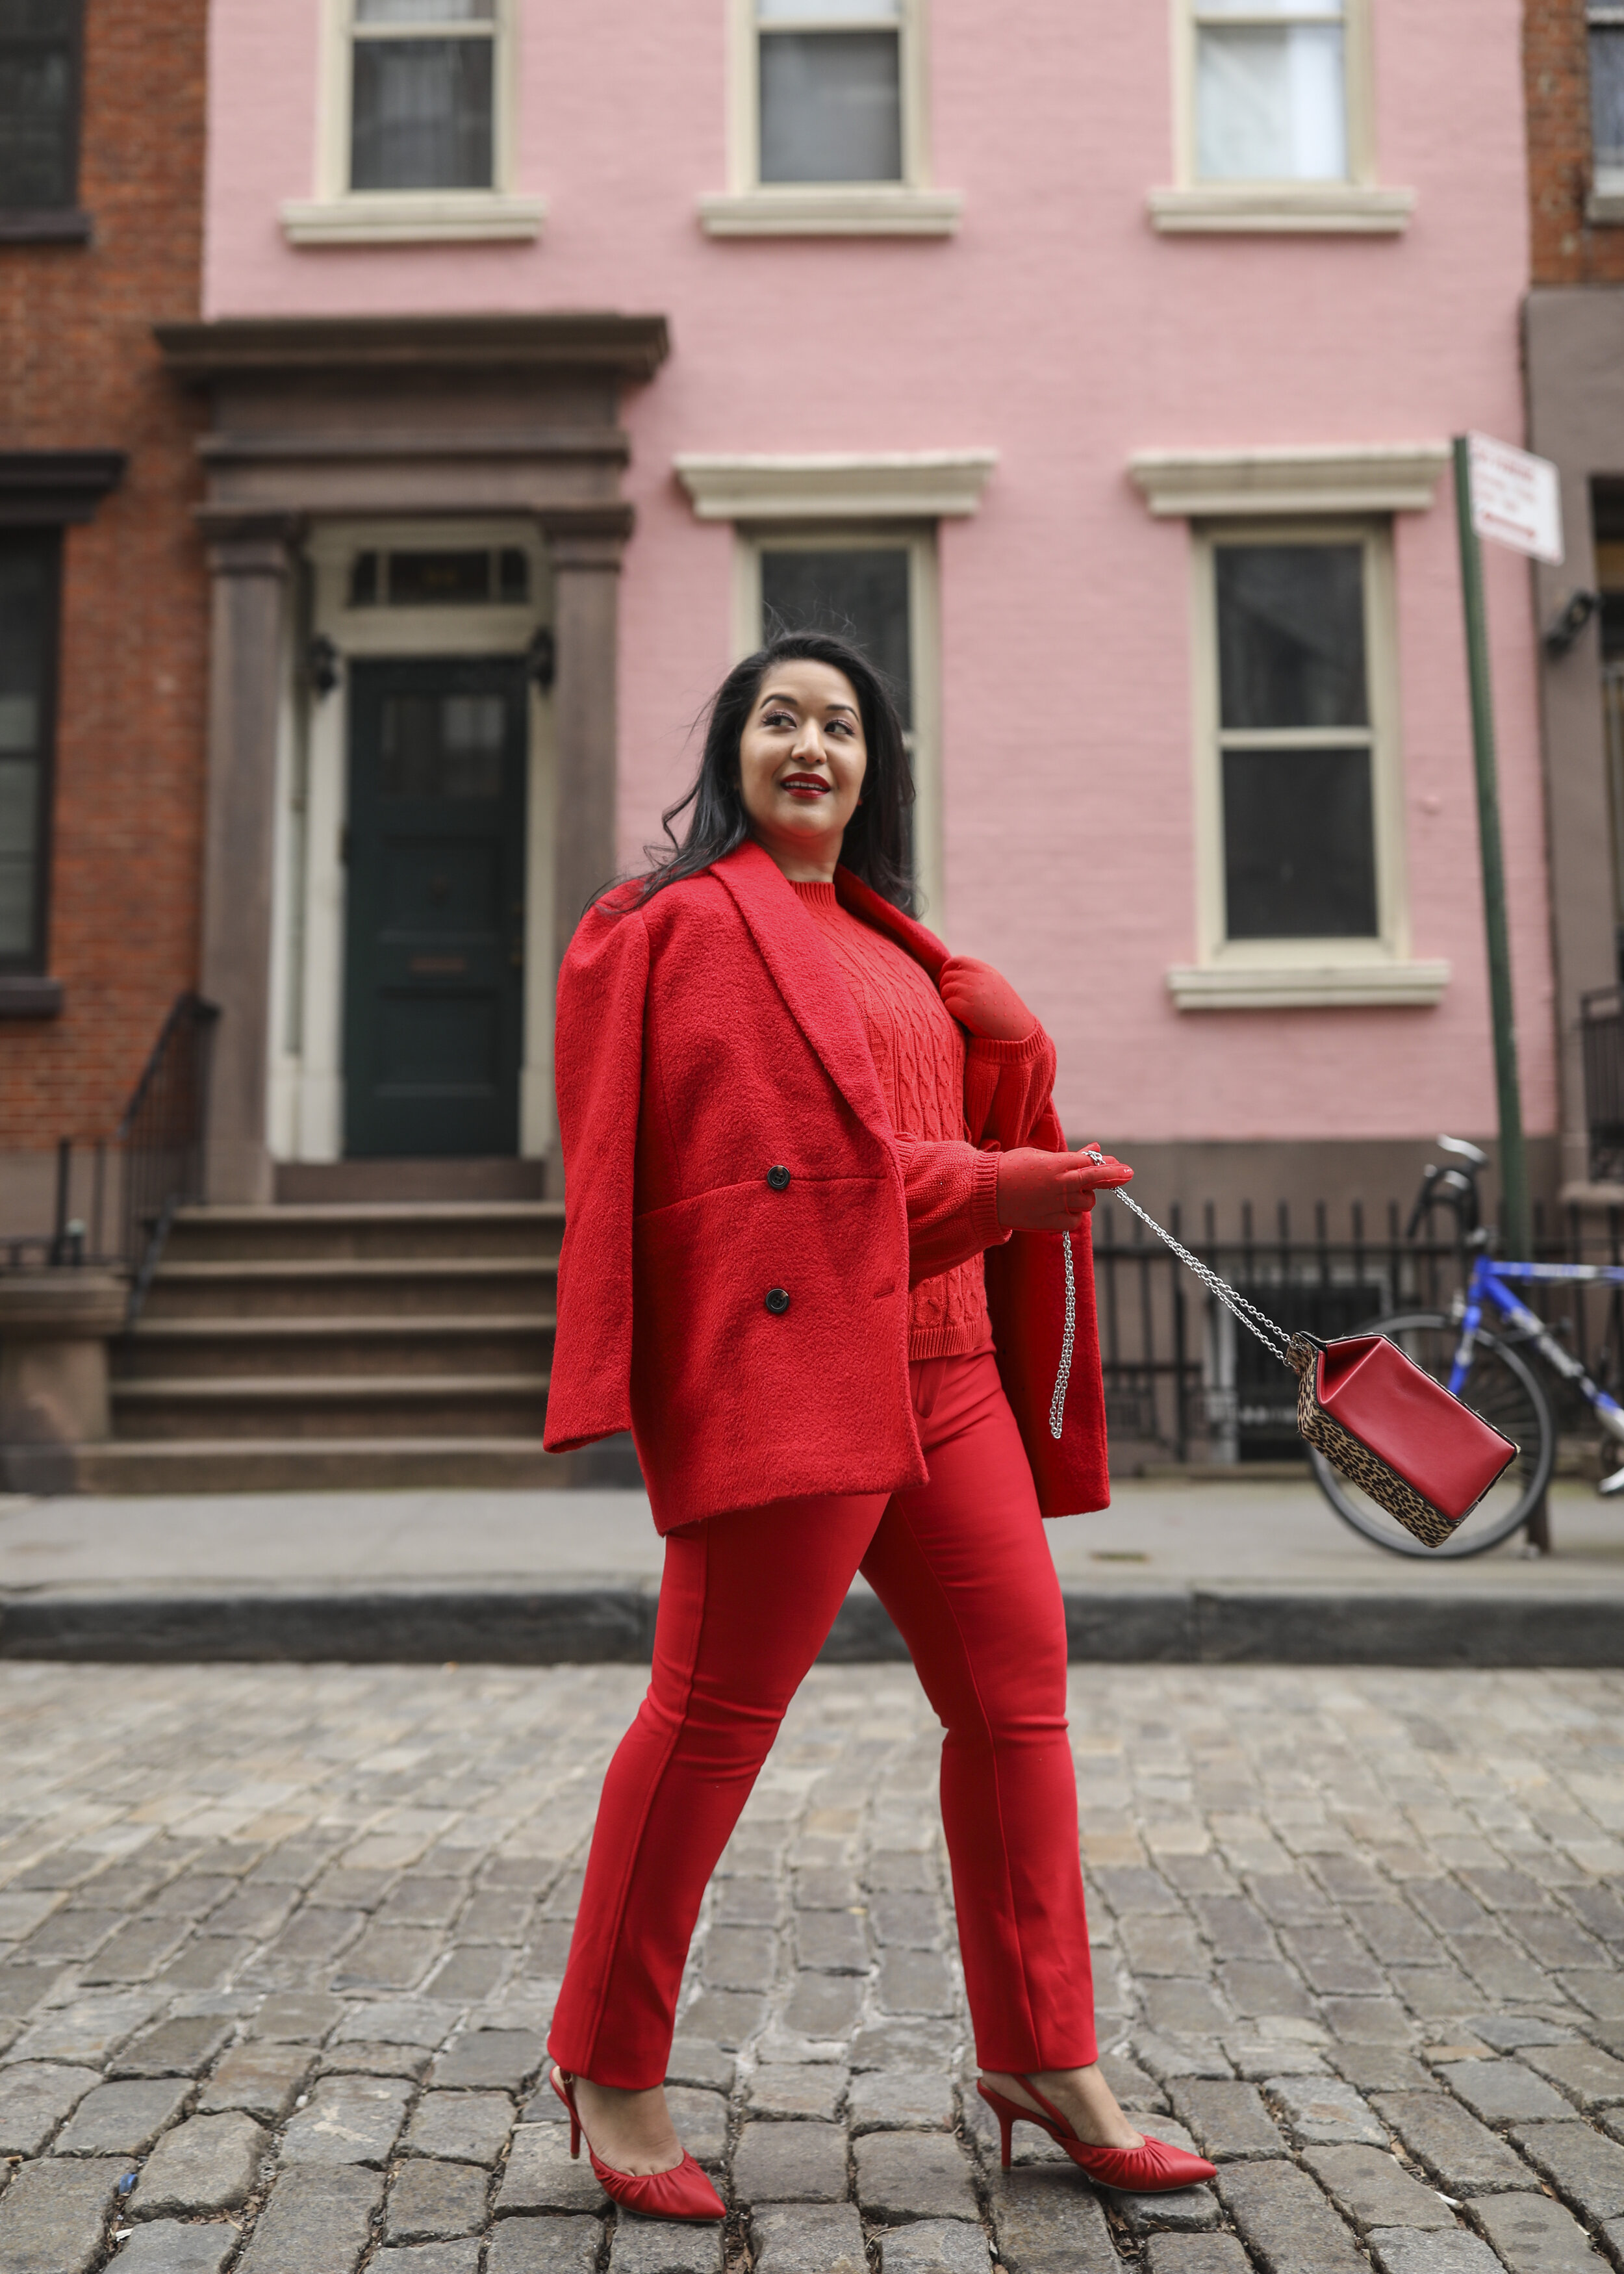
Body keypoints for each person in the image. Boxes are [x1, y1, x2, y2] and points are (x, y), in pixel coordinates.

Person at [541, 631, 1217, 2221]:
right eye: (777, 717)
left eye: (839, 725)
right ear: (731, 755)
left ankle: (1042, 2054)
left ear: (871, 766)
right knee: (710, 1715)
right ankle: (608, 2060)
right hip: (802, 1368)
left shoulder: (900, 947)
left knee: (1015, 1701)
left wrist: (1016, 1042)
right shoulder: (705, 931)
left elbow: (955, 1127)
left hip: (949, 1362)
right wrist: (999, 1188)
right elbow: (782, 1187)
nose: (809, 746)